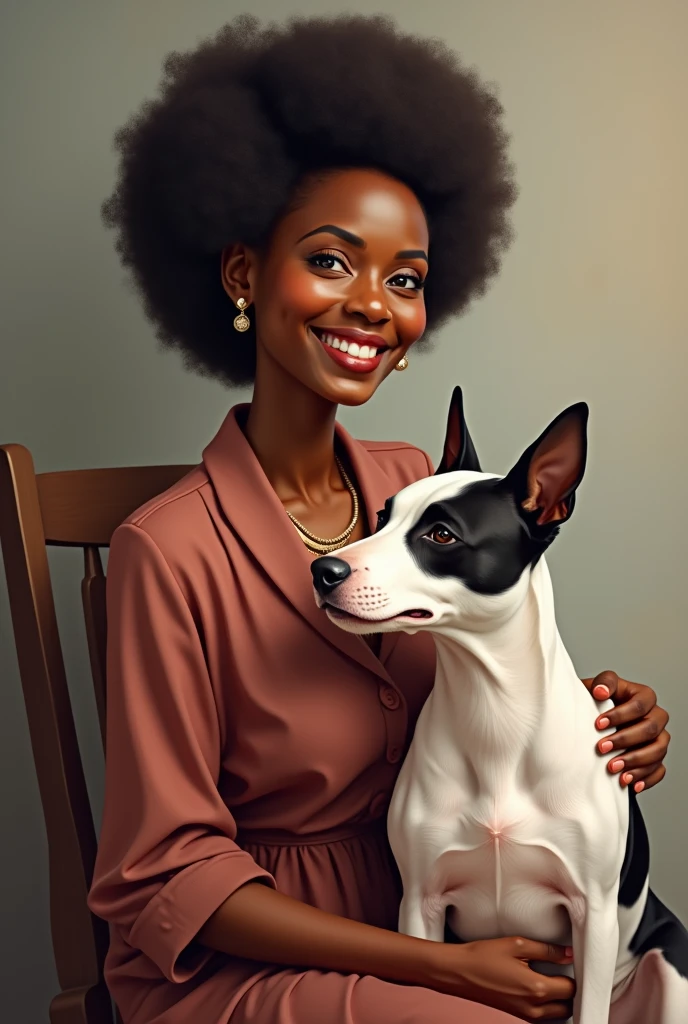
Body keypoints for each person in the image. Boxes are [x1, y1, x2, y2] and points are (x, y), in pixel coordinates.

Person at [89, 15, 671, 1024]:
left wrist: (610, 727)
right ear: (240, 274)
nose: (372, 304)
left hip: (442, 916)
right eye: (331, 260)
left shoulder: (416, 486)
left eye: (402, 280)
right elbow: (161, 875)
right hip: (249, 961)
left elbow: (493, 678)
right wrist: (440, 970)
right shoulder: (165, 549)